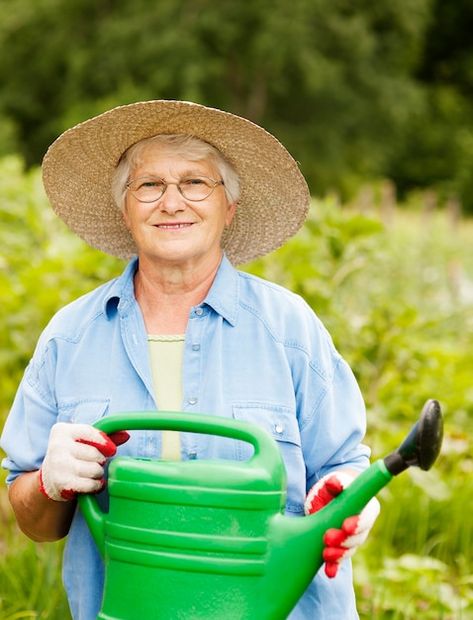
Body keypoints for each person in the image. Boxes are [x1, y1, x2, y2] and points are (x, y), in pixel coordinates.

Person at [1, 100, 379, 619]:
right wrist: (47, 482)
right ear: (124, 207)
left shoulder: (289, 329)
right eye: (149, 185)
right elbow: (33, 521)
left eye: (196, 183)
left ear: (230, 207)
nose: (171, 202)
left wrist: (350, 502)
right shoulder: (71, 337)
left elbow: (344, 470)